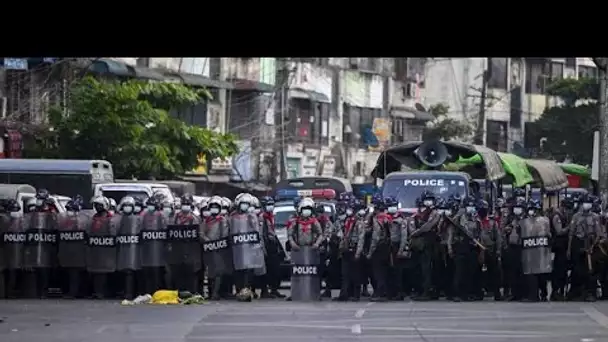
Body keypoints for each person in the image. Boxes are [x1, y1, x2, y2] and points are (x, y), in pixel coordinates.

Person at [23, 189, 59, 298]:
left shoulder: (51, 209)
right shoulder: (33, 209)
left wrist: (51, 209)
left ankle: (44, 290)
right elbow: (27, 222)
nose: (40, 201)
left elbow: (56, 222)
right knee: (34, 269)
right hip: (35, 242)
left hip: (47, 243)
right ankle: (35, 291)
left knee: (45, 269)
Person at [568, 194, 603, 301]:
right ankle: (578, 293)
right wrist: (569, 248)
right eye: (585, 203)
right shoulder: (576, 217)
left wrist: (592, 246)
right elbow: (571, 233)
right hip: (578, 243)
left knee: (591, 270)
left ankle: (591, 293)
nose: (586, 205)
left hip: (591, 244)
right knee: (578, 270)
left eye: (588, 203)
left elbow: (598, 233)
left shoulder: (595, 217)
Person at [230, 193, 265, 302]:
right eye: (242, 204)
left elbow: (256, 230)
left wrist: (251, 217)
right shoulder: (233, 216)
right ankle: (239, 290)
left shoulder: (252, 216)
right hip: (237, 248)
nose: (244, 206)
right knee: (238, 271)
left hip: (249, 248)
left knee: (248, 270)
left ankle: (247, 290)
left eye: (246, 204)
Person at [288, 197, 324, 301]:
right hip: (299, 251)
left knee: (312, 274)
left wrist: (317, 244)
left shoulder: (314, 221)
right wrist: (293, 244)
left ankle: (315, 293)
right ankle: (296, 293)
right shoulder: (296, 222)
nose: (306, 211)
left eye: (308, 209)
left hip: (311, 251)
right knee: (298, 274)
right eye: (304, 209)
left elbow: (320, 234)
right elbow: (290, 234)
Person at [166, 194, 202, 293]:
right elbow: (169, 231)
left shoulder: (195, 218)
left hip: (191, 250)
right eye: (184, 203)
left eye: (188, 204)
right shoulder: (175, 217)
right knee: (177, 272)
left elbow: (199, 234)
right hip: (177, 249)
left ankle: (191, 292)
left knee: (191, 272)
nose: (185, 205)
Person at [448, 196, 481, 301]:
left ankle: (467, 293)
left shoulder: (476, 218)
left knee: (470, 272)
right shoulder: (458, 218)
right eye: (468, 206)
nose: (470, 208)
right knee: (459, 272)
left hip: (472, 247)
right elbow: (451, 233)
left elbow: (479, 231)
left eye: (472, 206)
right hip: (460, 247)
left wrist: (477, 240)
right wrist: (450, 247)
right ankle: (457, 294)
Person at [410, 190, 441, 301]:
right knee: (421, 269)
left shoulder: (435, 213)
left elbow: (428, 226)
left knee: (428, 269)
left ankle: (428, 292)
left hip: (431, 244)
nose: (428, 202)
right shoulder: (421, 213)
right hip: (421, 245)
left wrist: (416, 233)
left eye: (430, 200)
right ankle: (422, 290)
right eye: (426, 200)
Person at [520, 199, 552, 302]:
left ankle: (543, 294)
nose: (531, 212)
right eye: (530, 209)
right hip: (530, 252)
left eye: (533, 209)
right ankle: (533, 295)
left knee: (541, 274)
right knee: (531, 275)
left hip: (540, 251)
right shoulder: (525, 222)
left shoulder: (544, 221)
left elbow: (547, 234)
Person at [57, 196, 89, 299]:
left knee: (76, 274)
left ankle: (75, 292)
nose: (68, 212)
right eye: (68, 209)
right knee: (70, 273)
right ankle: (72, 291)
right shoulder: (63, 220)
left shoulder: (82, 221)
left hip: (78, 253)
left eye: (71, 210)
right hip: (67, 252)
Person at [201, 196, 232, 300]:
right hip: (208, 249)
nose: (214, 209)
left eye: (216, 207)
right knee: (210, 272)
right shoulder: (206, 221)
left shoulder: (222, 220)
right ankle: (210, 293)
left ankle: (216, 292)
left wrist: (217, 243)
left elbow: (225, 234)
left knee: (218, 271)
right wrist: (207, 240)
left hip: (219, 249)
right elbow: (201, 233)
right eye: (212, 207)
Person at [86, 196, 116, 299]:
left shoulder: (110, 218)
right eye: (96, 205)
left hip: (107, 251)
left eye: (99, 205)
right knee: (95, 272)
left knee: (104, 273)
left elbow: (113, 233)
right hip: (95, 250)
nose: (97, 207)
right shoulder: (93, 218)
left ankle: (103, 292)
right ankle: (97, 292)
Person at [115, 196, 142, 300]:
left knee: (131, 273)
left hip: (133, 250)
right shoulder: (118, 219)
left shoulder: (137, 219)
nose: (127, 208)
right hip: (122, 249)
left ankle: (130, 293)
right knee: (123, 272)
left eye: (129, 206)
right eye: (125, 206)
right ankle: (124, 292)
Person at [140, 194, 168, 295]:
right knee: (148, 272)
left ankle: (157, 292)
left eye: (152, 204)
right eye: (149, 204)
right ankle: (148, 292)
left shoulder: (161, 215)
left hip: (158, 249)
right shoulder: (144, 215)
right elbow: (140, 230)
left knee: (157, 273)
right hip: (147, 249)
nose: (150, 206)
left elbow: (165, 230)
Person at [336, 199, 363, 301]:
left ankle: (356, 295)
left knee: (355, 274)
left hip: (355, 249)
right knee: (345, 274)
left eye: (351, 209)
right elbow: (344, 236)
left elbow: (361, 238)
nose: (349, 211)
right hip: (346, 250)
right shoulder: (347, 221)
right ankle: (344, 294)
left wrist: (358, 252)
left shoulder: (359, 222)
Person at [366, 196, 392, 302]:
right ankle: (386, 293)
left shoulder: (377, 219)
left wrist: (370, 252)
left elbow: (375, 237)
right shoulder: (387, 217)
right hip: (387, 247)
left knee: (378, 272)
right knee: (385, 271)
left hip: (378, 248)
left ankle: (380, 293)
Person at [259, 196, 284, 298]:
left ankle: (274, 289)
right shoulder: (262, 217)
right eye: (268, 204)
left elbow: (272, 232)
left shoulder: (270, 216)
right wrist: (263, 248)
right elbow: (261, 234)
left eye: (271, 204)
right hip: (266, 246)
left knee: (275, 270)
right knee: (267, 270)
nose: (271, 206)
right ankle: (264, 291)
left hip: (273, 245)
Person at [549, 196, 572, 301]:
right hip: (558, 247)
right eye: (566, 208)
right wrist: (570, 227)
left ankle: (561, 291)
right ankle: (556, 291)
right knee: (558, 270)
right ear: (562, 206)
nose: (567, 210)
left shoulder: (564, 215)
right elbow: (559, 231)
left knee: (563, 270)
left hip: (563, 246)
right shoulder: (557, 216)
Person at [478, 199, 503, 301]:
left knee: (494, 272)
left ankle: (496, 293)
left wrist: (498, 250)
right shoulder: (475, 221)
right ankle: (479, 293)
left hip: (490, 250)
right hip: (478, 250)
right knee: (478, 273)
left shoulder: (492, 222)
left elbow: (498, 238)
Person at [0, 199, 24, 298]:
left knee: (11, 272)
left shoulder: (18, 221)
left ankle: (8, 293)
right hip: (4, 250)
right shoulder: (2, 219)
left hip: (12, 250)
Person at [503, 197, 525, 301]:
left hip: (523, 247)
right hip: (512, 246)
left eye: (519, 207)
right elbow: (503, 229)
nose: (517, 209)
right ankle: (513, 293)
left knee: (522, 271)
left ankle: (522, 293)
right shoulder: (510, 218)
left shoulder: (525, 218)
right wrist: (509, 227)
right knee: (512, 272)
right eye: (516, 207)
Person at [386, 196, 407, 300]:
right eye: (390, 206)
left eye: (393, 206)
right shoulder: (386, 218)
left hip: (397, 246)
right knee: (389, 271)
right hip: (388, 247)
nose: (391, 208)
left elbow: (404, 236)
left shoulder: (400, 219)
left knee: (398, 271)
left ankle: (399, 292)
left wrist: (401, 249)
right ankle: (391, 292)